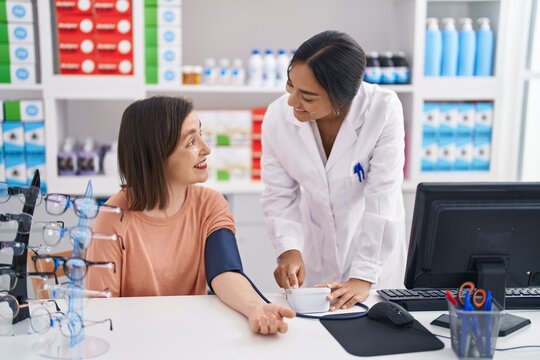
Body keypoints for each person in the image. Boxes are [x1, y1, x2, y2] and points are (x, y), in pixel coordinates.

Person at [87, 96, 294, 335]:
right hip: (132, 337)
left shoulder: (211, 204)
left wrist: (255, 307)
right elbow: (101, 311)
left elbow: (225, 271)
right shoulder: (111, 219)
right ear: (155, 154)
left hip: (190, 333)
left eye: (201, 135)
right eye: (190, 142)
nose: (206, 149)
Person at [261, 30, 407, 311]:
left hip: (374, 257)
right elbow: (279, 194)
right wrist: (288, 250)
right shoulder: (278, 117)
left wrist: (363, 277)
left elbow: (382, 199)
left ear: (342, 98)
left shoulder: (383, 109)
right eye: (290, 85)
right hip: (318, 251)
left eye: (308, 96)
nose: (292, 101)